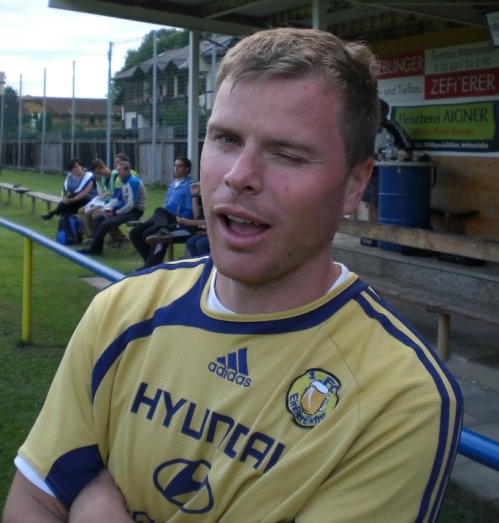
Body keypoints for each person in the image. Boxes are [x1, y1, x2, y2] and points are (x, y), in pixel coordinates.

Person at [3, 28, 463, 523]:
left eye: (288, 153)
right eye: (225, 139)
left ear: (355, 184)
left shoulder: (400, 396)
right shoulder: (122, 310)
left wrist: (97, 512)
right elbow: (35, 501)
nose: (239, 174)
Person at [129, 157, 195, 269]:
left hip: (177, 219)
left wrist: (179, 219)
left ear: (187, 169)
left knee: (158, 214)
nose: (176, 168)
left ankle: (150, 266)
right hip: (163, 218)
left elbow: (190, 211)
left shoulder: (190, 185)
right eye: (175, 165)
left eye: (179, 166)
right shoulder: (172, 184)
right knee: (135, 233)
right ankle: (150, 265)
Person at [360, 98, 414, 226]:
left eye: (378, 113)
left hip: (383, 170)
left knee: (378, 203)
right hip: (365, 169)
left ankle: (380, 230)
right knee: (370, 203)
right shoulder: (364, 125)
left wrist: (404, 158)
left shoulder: (391, 126)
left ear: (384, 114)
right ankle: (372, 231)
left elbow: (408, 145)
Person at [77, 161, 146, 256]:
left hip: (135, 211)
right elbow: (117, 199)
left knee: (104, 224)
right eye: (117, 170)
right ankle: (97, 247)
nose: (118, 172)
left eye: (120, 170)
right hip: (126, 210)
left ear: (127, 171)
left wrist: (114, 213)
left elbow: (130, 205)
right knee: (98, 218)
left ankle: (94, 249)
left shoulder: (133, 182)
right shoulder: (123, 181)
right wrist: (106, 209)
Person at [77, 158, 118, 238]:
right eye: (97, 173)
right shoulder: (103, 179)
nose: (99, 175)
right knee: (81, 211)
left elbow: (118, 193)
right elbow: (104, 193)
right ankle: (90, 234)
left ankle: (95, 236)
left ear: (103, 167)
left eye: (99, 172)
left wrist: (106, 194)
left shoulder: (115, 175)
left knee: (89, 213)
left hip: (112, 203)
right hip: (103, 202)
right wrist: (99, 198)